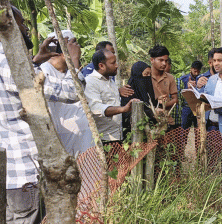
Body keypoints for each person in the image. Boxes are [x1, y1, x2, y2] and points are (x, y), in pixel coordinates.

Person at [1, 6, 80, 223]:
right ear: (7, 24)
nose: (26, 29)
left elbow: (18, 84)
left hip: (9, 175)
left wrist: (36, 60)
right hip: (25, 175)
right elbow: (72, 92)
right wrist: (74, 61)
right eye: (22, 24)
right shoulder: (7, 60)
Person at [40, 30, 94, 156]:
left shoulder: (71, 72)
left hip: (83, 140)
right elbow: (73, 92)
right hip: (62, 143)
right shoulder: (43, 71)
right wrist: (73, 59)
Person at [84, 49, 136, 144]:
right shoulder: (90, 82)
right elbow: (95, 108)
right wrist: (123, 109)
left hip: (117, 135)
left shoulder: (110, 81)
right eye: (113, 63)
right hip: (103, 138)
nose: (116, 65)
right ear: (101, 66)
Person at [121, 61, 157, 138]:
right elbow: (128, 116)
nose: (148, 77)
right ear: (137, 75)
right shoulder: (127, 92)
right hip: (133, 135)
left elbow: (152, 104)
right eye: (146, 74)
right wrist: (151, 113)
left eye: (149, 75)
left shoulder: (149, 91)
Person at [149, 45, 178, 117]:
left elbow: (175, 99)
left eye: (166, 61)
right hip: (149, 119)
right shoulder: (146, 76)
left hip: (166, 119)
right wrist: (156, 104)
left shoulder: (170, 78)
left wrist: (164, 105)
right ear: (152, 60)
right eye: (161, 60)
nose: (164, 63)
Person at [178, 60, 203, 129]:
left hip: (197, 107)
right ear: (191, 69)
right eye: (195, 71)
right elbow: (179, 94)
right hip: (186, 107)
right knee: (184, 130)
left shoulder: (201, 79)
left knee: (198, 130)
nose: (196, 73)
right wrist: (188, 88)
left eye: (198, 71)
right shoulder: (183, 79)